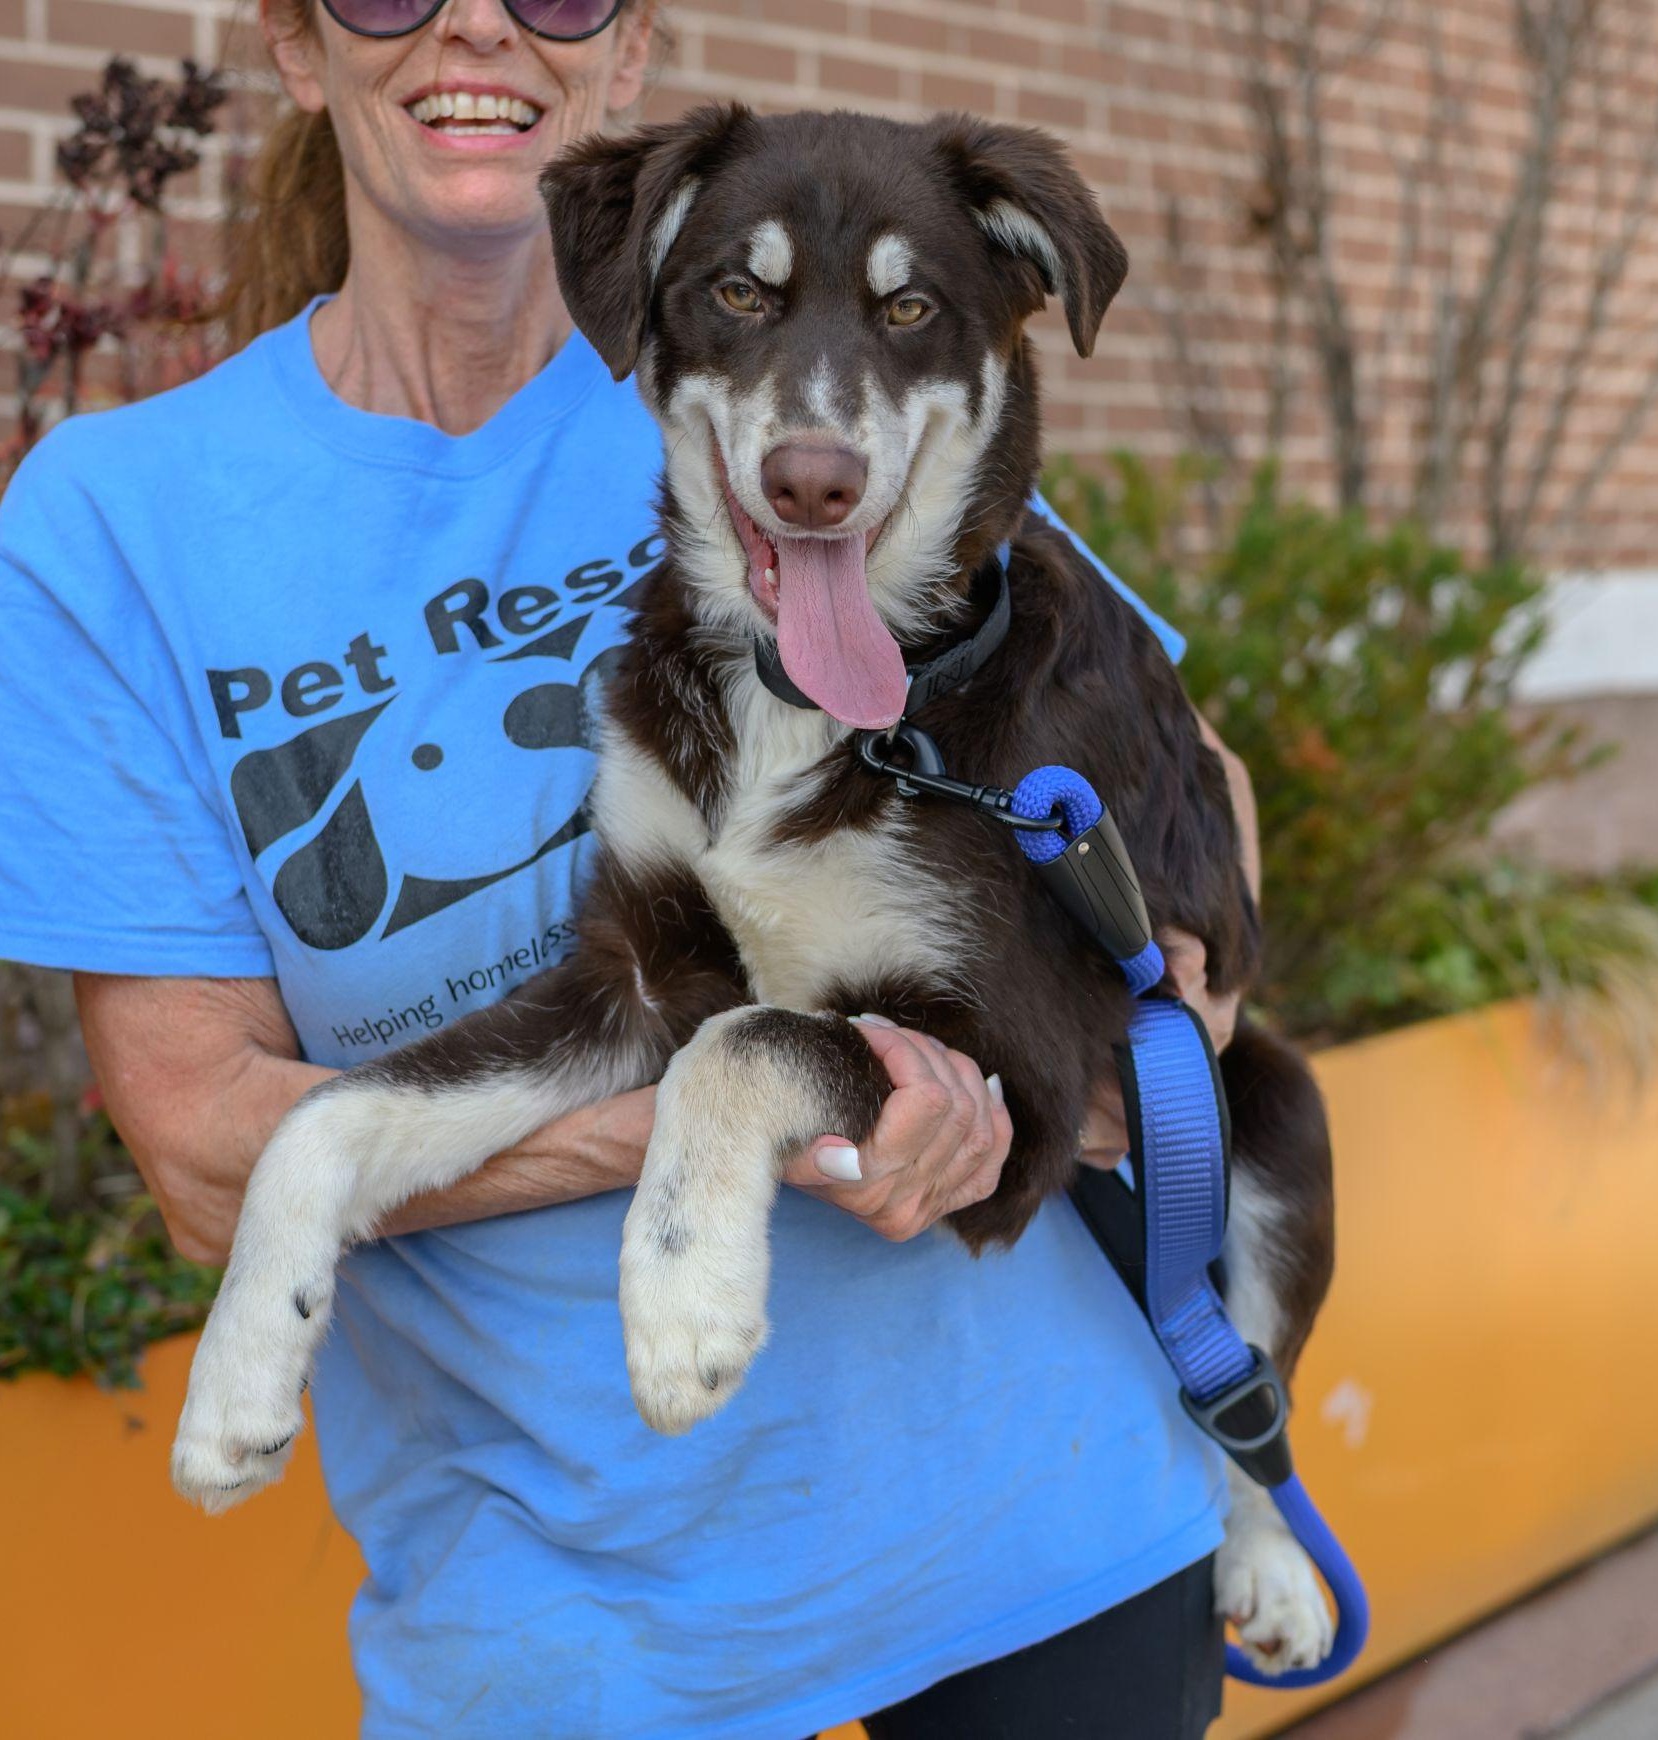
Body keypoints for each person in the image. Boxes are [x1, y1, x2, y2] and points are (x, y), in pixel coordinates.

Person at [0, 2, 1260, 1735]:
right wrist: (736, 1118)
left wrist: (1139, 1056)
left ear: (625, 50)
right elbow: (207, 1149)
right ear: (293, 46)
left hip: (1039, 1539)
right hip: (559, 1630)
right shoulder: (115, 523)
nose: (476, 25)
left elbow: (1185, 809)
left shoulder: (871, 449)